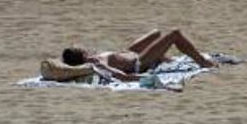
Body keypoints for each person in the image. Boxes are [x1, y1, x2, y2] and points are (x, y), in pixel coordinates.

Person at [60, 29, 214, 80]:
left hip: (130, 52)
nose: (83, 46)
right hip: (138, 62)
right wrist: (137, 78)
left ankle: (163, 59)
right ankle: (203, 62)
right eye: (80, 48)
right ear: (82, 54)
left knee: (156, 33)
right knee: (174, 34)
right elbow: (118, 75)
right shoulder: (97, 62)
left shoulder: (95, 58)